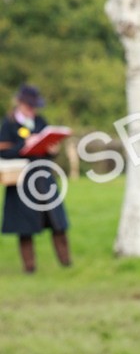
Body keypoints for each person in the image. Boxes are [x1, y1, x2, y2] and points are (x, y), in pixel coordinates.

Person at [0, 84, 71, 273]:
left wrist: (52, 150)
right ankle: (29, 268)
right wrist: (24, 145)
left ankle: (67, 264)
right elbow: (4, 152)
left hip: (43, 179)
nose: (33, 110)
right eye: (29, 106)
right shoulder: (8, 125)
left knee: (58, 223)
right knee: (25, 227)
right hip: (21, 182)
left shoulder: (40, 121)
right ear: (20, 103)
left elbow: (48, 146)